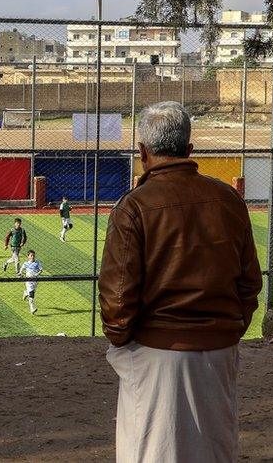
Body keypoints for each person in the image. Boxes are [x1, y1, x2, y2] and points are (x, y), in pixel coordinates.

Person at [99, 102, 262, 462]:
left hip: (157, 354)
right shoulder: (228, 199)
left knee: (152, 451)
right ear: (189, 150)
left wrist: (125, 342)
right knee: (214, 450)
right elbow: (250, 284)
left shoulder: (133, 206)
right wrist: (223, 331)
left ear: (142, 153)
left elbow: (117, 297)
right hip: (218, 350)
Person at [18, 249, 42, 315]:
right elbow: (21, 270)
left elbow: (40, 270)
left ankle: (25, 293)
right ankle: (32, 308)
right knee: (31, 295)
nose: (33, 257)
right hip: (28, 281)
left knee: (32, 292)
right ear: (28, 256)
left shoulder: (37, 263)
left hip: (36, 281)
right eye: (31, 255)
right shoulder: (26, 263)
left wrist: (37, 274)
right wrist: (20, 273)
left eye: (34, 255)